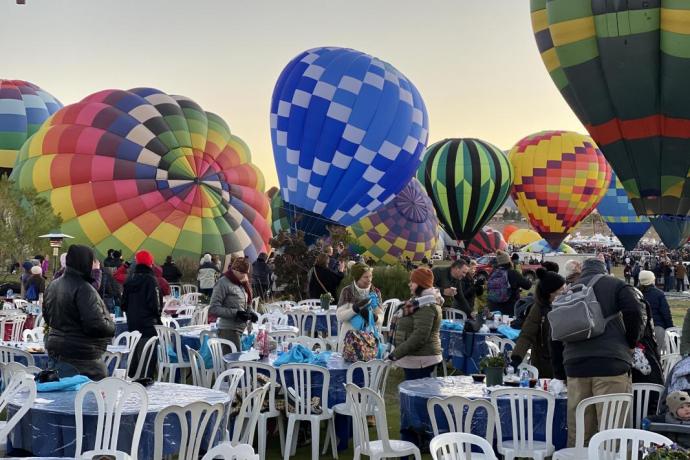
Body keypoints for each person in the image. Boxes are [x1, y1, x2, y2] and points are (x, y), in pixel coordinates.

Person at [551, 257, 646, 447]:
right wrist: (631, 341)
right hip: (611, 365)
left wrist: (560, 373)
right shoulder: (616, 285)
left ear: (582, 270)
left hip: (575, 368)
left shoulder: (568, 291)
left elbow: (554, 334)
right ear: (603, 269)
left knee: (580, 433)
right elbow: (635, 310)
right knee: (612, 432)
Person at [43, 245, 115, 380]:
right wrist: (111, 326)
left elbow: (47, 317)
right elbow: (95, 325)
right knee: (89, 397)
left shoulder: (53, 285)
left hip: (57, 348)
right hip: (82, 355)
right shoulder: (84, 288)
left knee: (62, 394)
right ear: (85, 262)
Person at [389, 267, 444, 379]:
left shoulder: (426, 305)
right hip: (415, 358)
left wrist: (396, 354)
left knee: (416, 394)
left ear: (421, 284)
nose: (409, 284)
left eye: (412, 282)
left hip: (421, 360)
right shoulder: (419, 302)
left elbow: (420, 336)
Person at [510, 268, 565, 379]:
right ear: (551, 292)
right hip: (543, 364)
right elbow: (526, 334)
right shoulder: (538, 309)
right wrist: (516, 358)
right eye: (561, 289)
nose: (565, 291)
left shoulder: (567, 305)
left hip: (564, 362)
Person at [121, 250, 162, 378]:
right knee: (148, 361)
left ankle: (133, 385)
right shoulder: (151, 280)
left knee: (135, 360)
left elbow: (123, 304)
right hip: (148, 326)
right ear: (150, 264)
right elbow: (156, 305)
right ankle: (146, 386)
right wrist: (158, 317)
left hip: (133, 325)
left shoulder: (129, 280)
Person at [208, 258, 258, 351]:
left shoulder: (241, 284)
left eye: (246, 273)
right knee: (233, 363)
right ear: (235, 270)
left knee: (239, 361)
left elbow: (243, 304)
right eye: (242, 273)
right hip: (228, 330)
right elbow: (213, 308)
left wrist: (250, 313)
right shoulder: (223, 283)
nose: (245, 276)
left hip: (240, 329)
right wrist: (236, 313)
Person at [337, 263, 383, 351]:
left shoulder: (375, 292)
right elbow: (339, 316)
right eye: (366, 277)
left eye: (370, 276)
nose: (369, 280)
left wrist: (375, 317)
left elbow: (381, 318)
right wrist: (355, 309)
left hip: (369, 339)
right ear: (357, 278)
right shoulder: (347, 291)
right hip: (349, 339)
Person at [486, 250, 532, 316]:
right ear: (509, 261)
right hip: (510, 308)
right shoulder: (513, 273)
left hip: (494, 307)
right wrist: (529, 280)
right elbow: (527, 286)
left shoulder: (493, 272)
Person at [639, 270, 673, 354]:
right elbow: (666, 313)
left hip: (640, 327)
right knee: (657, 354)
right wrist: (670, 327)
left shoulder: (636, 293)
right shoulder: (658, 294)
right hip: (656, 326)